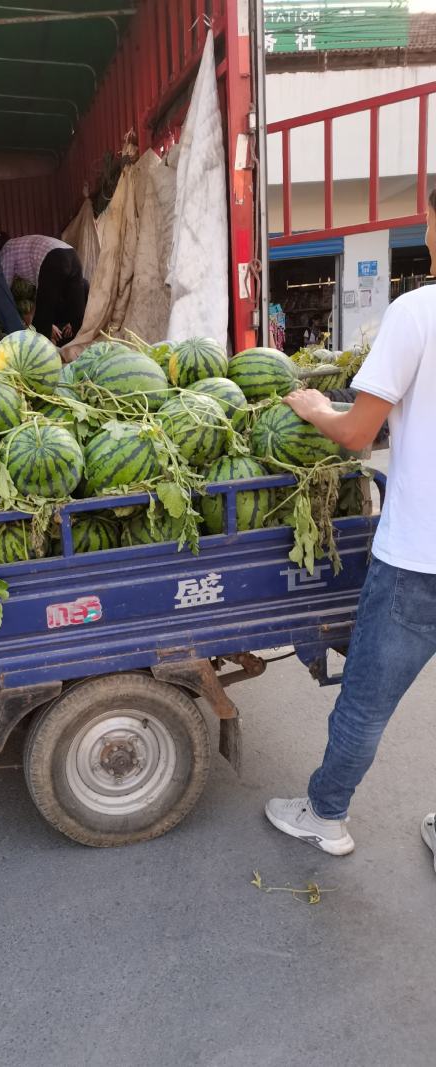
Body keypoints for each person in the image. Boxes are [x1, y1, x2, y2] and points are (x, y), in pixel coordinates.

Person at [265, 187, 436, 860]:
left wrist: (313, 409)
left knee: (366, 702)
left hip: (419, 558)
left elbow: (358, 434)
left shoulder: (418, 312)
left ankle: (325, 813)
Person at [0, 235, 87, 345]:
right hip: (72, 254)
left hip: (53, 258)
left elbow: (4, 285)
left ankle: (43, 351)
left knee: (43, 317)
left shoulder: (7, 248)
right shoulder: (23, 243)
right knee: (77, 313)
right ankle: (80, 348)